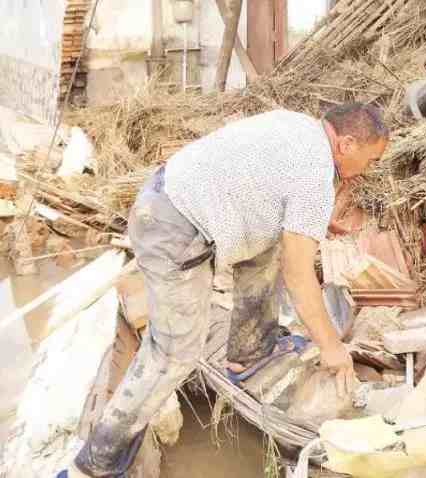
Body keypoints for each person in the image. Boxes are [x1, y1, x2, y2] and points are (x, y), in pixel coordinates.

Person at [59, 103, 389, 477]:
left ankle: (250, 350)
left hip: (166, 195)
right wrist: (331, 346)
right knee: (173, 354)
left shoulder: (298, 125)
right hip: (173, 228)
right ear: (346, 144)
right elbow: (299, 276)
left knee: (266, 248)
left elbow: (277, 238)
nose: (370, 169)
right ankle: (95, 462)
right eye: (372, 159)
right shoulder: (314, 176)